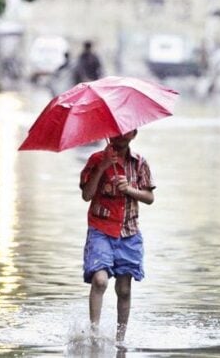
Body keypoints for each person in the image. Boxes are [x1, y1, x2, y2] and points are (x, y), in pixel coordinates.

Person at [79, 129, 155, 344]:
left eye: (125, 132)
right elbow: (87, 195)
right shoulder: (95, 159)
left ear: (133, 135)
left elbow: (149, 197)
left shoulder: (139, 163)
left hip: (129, 232)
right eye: (115, 132)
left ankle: (120, 340)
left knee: (123, 288)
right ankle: (94, 333)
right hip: (100, 229)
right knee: (100, 280)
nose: (119, 136)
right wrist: (102, 167)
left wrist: (129, 189)